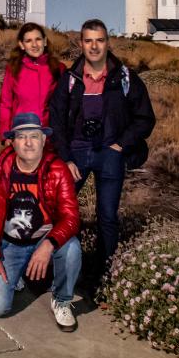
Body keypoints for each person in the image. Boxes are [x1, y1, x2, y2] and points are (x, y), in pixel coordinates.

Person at [49, 18, 155, 299]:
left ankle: (106, 274)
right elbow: (56, 121)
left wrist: (122, 143)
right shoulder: (70, 80)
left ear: (108, 42)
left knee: (107, 216)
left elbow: (145, 118)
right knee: (62, 212)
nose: (94, 46)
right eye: (88, 40)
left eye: (100, 40)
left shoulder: (125, 78)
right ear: (80, 44)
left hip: (110, 153)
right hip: (77, 154)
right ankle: (61, 269)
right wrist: (66, 157)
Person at [0, 111, 82, 332]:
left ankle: (62, 299)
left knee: (71, 247)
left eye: (34, 136)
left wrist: (48, 244)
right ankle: (17, 276)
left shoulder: (58, 170)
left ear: (43, 140)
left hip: (44, 238)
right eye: (21, 136)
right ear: (12, 142)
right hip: (10, 244)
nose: (28, 142)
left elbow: (71, 217)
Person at [0, 22, 63, 138]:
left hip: (49, 136)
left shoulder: (58, 68)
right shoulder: (13, 68)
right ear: (21, 45)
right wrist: (5, 134)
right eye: (28, 41)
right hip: (21, 135)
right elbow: (5, 104)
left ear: (45, 41)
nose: (34, 45)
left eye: (38, 39)